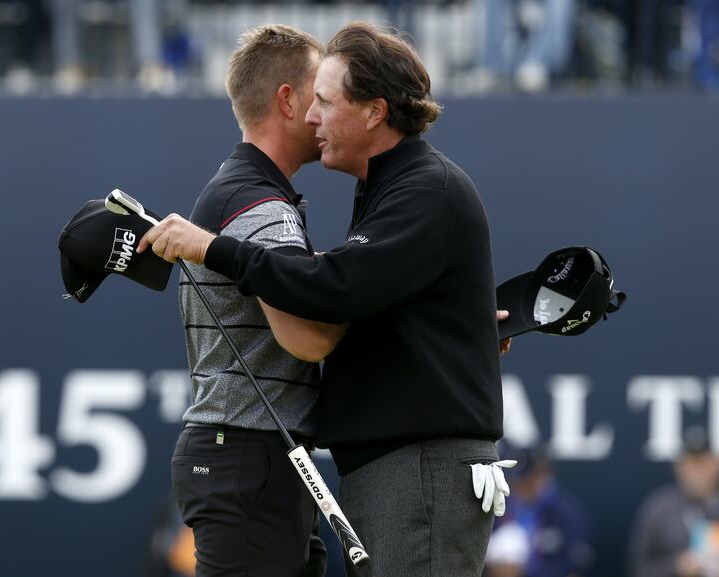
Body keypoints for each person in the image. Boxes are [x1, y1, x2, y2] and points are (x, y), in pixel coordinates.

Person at [139, 21, 512, 577]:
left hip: (415, 468)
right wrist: (446, 327)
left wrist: (215, 249)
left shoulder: (421, 186)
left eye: (327, 102)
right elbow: (345, 300)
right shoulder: (383, 187)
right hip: (375, 466)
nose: (315, 117)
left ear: (375, 111)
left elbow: (332, 298)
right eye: (312, 101)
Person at [167, 24, 337, 577]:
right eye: (322, 92)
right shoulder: (258, 204)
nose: (328, 109)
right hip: (247, 455)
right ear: (287, 100)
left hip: (249, 455)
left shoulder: (243, 189)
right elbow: (309, 339)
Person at [483, 443, 592, 577]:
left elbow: (574, 564)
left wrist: (524, 570)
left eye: (526, 481)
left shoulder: (567, 513)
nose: (518, 487)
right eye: (515, 481)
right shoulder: (500, 506)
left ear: (542, 475)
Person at [628, 427, 719, 577]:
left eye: (703, 463)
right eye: (691, 463)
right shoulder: (658, 509)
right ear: (679, 466)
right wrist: (676, 566)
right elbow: (638, 569)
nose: (697, 471)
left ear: (715, 465)